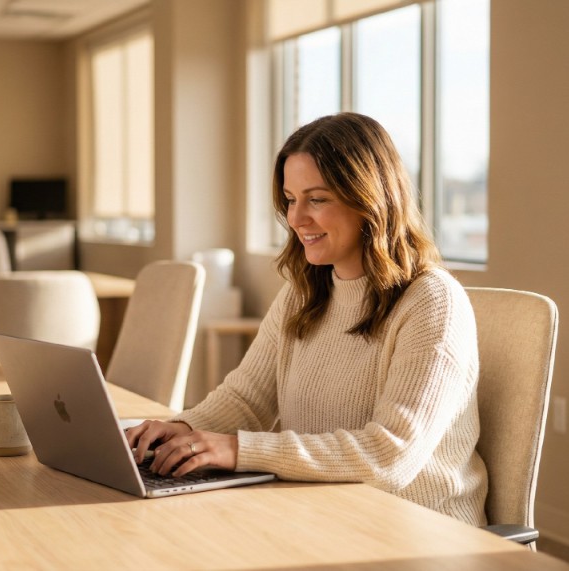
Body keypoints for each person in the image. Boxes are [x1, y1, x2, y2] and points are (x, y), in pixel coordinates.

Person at [125, 112, 487, 525]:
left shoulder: (432, 301)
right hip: (323, 515)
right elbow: (246, 399)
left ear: (370, 199)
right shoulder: (304, 292)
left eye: (317, 199)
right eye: (291, 199)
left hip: (420, 530)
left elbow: (390, 457)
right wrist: (183, 430)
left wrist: (239, 450)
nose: (296, 219)